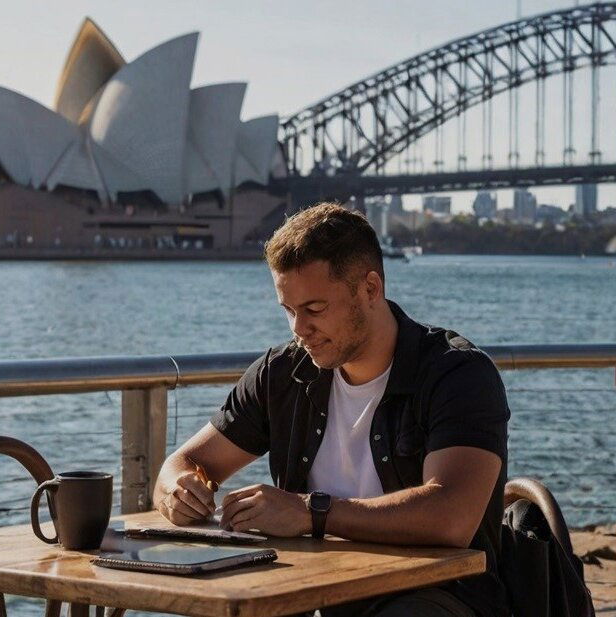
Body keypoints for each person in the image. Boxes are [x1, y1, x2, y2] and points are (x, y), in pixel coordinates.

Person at [153, 203, 511, 617]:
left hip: (438, 597)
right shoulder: (282, 374)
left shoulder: (458, 374)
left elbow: (451, 517)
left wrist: (309, 513)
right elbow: (185, 462)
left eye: (314, 309)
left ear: (371, 289)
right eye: (288, 310)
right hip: (310, 593)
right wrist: (178, 491)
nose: (298, 329)